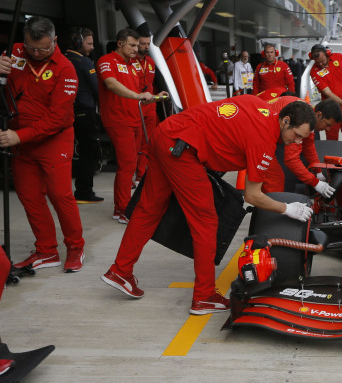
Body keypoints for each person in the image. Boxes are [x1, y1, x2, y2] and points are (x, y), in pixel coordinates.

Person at [101, 96, 316, 315]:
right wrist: (287, 208)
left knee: (149, 209)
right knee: (206, 221)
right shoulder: (264, 140)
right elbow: (252, 195)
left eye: (303, 139)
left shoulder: (259, 106)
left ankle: (120, 270)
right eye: (297, 136)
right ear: (286, 121)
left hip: (166, 133)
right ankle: (204, 297)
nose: (297, 142)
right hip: (183, 151)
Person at [0, 16, 85, 272]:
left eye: (43, 49)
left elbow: (57, 119)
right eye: (31, 48)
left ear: (55, 41)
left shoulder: (66, 69)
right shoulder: (14, 53)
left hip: (53, 139)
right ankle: (46, 250)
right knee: (29, 196)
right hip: (20, 140)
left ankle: (75, 248)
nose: (36, 53)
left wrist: (20, 136)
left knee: (60, 195)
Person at [97, 28, 155, 224]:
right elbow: (111, 84)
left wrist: (149, 97)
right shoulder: (106, 61)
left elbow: (136, 91)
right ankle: (123, 209)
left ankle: (119, 208)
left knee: (130, 165)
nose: (136, 49)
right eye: (132, 45)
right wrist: (138, 96)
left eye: (137, 45)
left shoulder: (133, 65)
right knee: (128, 165)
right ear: (120, 43)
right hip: (118, 121)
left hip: (135, 119)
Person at [259, 96, 342, 195]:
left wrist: (318, 171)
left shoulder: (309, 115)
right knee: (276, 178)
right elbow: (291, 159)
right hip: (260, 134)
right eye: (327, 124)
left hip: (267, 129)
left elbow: (309, 146)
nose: (328, 129)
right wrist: (315, 183)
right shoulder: (301, 120)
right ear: (319, 115)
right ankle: (273, 208)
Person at [65, 27, 103, 203]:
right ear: (78, 43)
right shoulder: (84, 62)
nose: (92, 47)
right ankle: (84, 192)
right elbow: (98, 89)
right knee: (90, 152)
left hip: (68, 112)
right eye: (89, 43)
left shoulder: (64, 59)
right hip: (85, 113)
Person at [309, 44, 342, 151]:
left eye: (322, 61)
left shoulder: (340, 58)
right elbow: (327, 92)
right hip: (330, 111)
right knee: (332, 140)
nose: (321, 64)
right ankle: (332, 164)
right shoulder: (314, 71)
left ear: (327, 53)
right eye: (317, 62)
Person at [133, 34, 167, 184]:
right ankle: (130, 177)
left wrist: (157, 96)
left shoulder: (151, 62)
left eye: (148, 44)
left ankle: (142, 173)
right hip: (135, 105)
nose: (146, 46)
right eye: (143, 43)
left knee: (148, 142)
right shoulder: (129, 63)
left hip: (150, 106)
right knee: (135, 143)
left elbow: (152, 84)